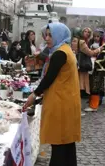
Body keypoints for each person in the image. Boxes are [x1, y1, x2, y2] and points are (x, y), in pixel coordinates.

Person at [24, 22, 81, 166]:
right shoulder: (65, 49)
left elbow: (49, 78)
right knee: (67, 143)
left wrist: (34, 95)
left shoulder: (60, 53)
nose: (47, 38)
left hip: (61, 103)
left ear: (59, 35)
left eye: (50, 35)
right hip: (66, 101)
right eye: (46, 35)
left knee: (59, 144)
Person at [84, 33, 105, 112]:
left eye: (98, 36)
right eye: (94, 36)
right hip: (91, 68)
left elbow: (104, 58)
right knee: (91, 86)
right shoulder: (90, 44)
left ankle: (94, 106)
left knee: (95, 87)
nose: (96, 38)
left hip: (98, 69)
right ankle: (92, 103)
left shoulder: (104, 46)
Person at [77, 27, 100, 98]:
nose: (86, 33)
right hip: (82, 62)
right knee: (82, 77)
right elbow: (90, 53)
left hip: (83, 62)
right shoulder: (82, 41)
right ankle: (82, 92)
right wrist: (99, 49)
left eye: (88, 32)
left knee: (84, 77)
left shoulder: (86, 41)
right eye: (85, 31)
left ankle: (84, 91)